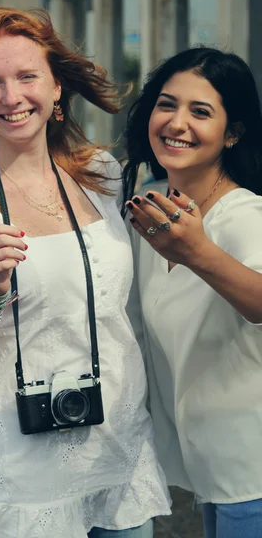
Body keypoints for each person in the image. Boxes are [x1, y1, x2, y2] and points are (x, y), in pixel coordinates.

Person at [0, 6, 170, 538]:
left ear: (56, 88)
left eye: (27, 76)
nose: (11, 98)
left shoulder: (103, 176)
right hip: (26, 481)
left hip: (120, 457)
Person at [123, 46, 262, 538]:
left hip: (252, 468)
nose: (176, 122)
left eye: (200, 112)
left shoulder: (244, 216)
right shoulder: (150, 206)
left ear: (233, 133)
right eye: (167, 104)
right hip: (209, 465)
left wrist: (198, 253)